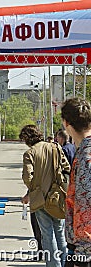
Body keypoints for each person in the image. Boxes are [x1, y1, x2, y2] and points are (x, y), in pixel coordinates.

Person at [19, 124, 70, 267]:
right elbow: (67, 168)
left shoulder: (30, 153)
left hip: (40, 199)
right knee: (60, 233)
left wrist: (34, 191)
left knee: (47, 235)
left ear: (28, 138)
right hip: (57, 197)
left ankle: (54, 264)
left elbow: (27, 177)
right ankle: (65, 262)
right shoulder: (55, 147)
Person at [61, 98, 91, 267]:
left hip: (84, 250)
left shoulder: (86, 157)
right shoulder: (83, 151)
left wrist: (81, 254)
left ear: (66, 124)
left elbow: (85, 207)